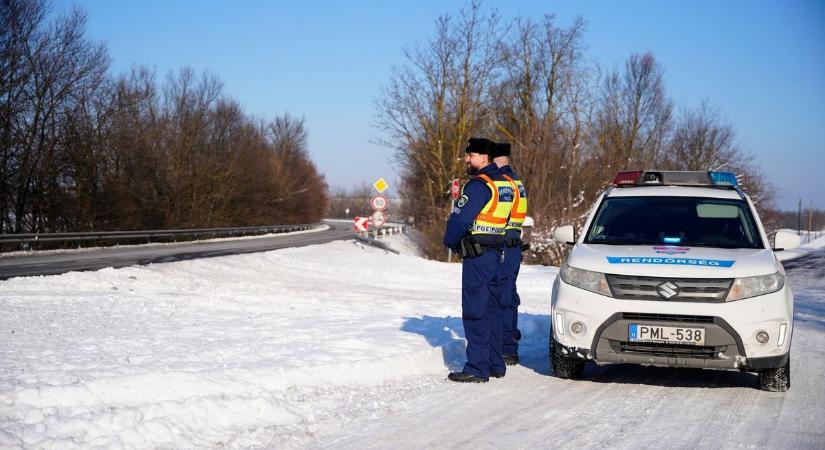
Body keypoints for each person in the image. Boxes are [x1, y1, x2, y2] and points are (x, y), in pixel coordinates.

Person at [443, 137, 515, 383]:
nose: (466, 159)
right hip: (496, 254)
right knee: (493, 309)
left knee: (475, 310)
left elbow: (461, 219)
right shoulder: (505, 184)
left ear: (484, 158)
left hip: (477, 255)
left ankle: (477, 367)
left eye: (470, 155)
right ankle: (495, 363)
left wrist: (451, 242)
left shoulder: (479, 185)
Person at [493, 142, 528, 365]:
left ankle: (505, 347)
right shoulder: (516, 180)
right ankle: (508, 344)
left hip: (503, 246)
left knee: (502, 296)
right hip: (512, 245)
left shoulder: (502, 182)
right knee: (508, 295)